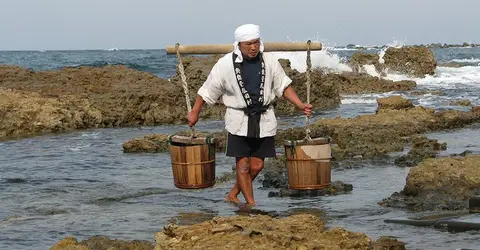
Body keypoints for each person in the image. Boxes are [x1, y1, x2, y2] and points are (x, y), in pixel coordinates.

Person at [186, 24, 312, 206]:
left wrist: (300, 105)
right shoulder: (225, 64)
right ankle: (251, 204)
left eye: (256, 42)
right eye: (248, 44)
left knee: (257, 165)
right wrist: (195, 112)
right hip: (239, 120)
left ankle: (233, 194)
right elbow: (207, 90)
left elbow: (283, 86)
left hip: (264, 119)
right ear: (239, 44)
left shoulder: (269, 61)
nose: (253, 47)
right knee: (243, 165)